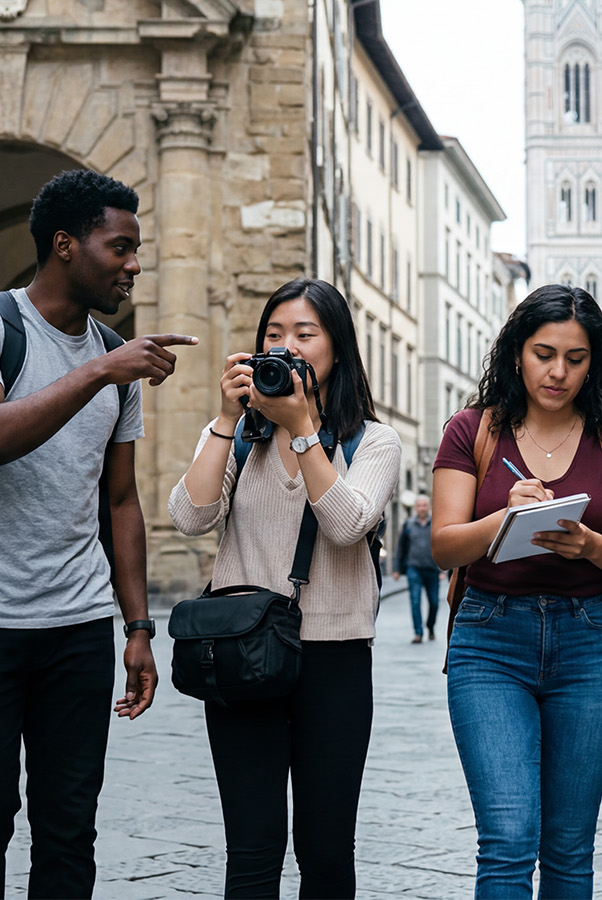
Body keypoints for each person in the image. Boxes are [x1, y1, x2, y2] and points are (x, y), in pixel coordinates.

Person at [0, 170, 197, 898]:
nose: (134, 264)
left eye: (137, 249)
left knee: (69, 829)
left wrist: (138, 626)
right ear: (65, 246)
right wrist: (101, 370)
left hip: (77, 625)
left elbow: (121, 501)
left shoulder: (118, 361)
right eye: (121, 247)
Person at [168, 278, 400, 898]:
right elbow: (189, 518)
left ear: (337, 349)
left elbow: (348, 525)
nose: (287, 346)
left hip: (335, 657)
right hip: (244, 650)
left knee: (325, 851)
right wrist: (225, 418)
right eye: (273, 335)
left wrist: (304, 430)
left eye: (304, 334)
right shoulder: (238, 435)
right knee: (251, 848)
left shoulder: (372, 441)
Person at [432, 283, 602, 899]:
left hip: (591, 642)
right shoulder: (470, 431)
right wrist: (502, 520)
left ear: (595, 363)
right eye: (543, 353)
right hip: (489, 640)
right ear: (515, 354)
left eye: (576, 358)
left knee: (568, 846)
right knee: (507, 838)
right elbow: (444, 546)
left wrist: (590, 546)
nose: (558, 371)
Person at [396, 495, 442, 642]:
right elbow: (400, 548)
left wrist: (443, 569)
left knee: (434, 603)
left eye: (424, 505)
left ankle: (430, 626)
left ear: (428, 507)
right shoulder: (408, 524)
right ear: (416, 508)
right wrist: (397, 569)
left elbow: (442, 546)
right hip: (414, 568)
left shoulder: (436, 523)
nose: (422, 508)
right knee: (415, 601)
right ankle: (418, 632)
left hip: (432, 569)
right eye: (419, 505)